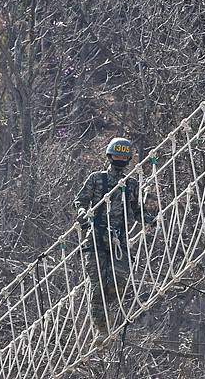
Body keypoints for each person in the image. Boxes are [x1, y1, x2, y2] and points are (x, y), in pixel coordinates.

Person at [74, 137, 154, 346]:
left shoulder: (131, 184)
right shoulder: (97, 179)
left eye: (123, 156)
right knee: (97, 286)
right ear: (110, 157)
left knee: (120, 280)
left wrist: (150, 219)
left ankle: (105, 313)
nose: (119, 159)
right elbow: (81, 200)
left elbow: (137, 210)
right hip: (95, 239)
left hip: (118, 240)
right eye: (116, 155)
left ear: (127, 159)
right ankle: (101, 329)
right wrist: (83, 213)